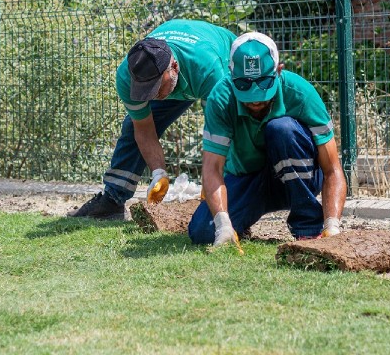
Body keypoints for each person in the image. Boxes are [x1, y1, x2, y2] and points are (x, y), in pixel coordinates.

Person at [188, 32, 348, 249]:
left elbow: (332, 169)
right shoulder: (220, 98)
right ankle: (238, 224)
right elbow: (212, 168)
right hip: (249, 178)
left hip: (299, 176)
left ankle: (308, 228)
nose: (255, 100)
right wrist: (223, 224)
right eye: (245, 86)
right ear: (231, 75)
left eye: (263, 84)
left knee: (281, 129)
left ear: (278, 71)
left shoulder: (300, 93)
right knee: (203, 231)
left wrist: (333, 225)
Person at [72, 19, 236, 218]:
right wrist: (158, 172)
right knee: (132, 126)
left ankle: (236, 196)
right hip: (180, 80)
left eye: (156, 86)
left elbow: (219, 130)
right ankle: (112, 200)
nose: (152, 94)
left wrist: (212, 179)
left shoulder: (208, 69)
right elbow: (144, 129)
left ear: (173, 67)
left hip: (219, 62)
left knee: (233, 126)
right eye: (145, 89)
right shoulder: (127, 76)